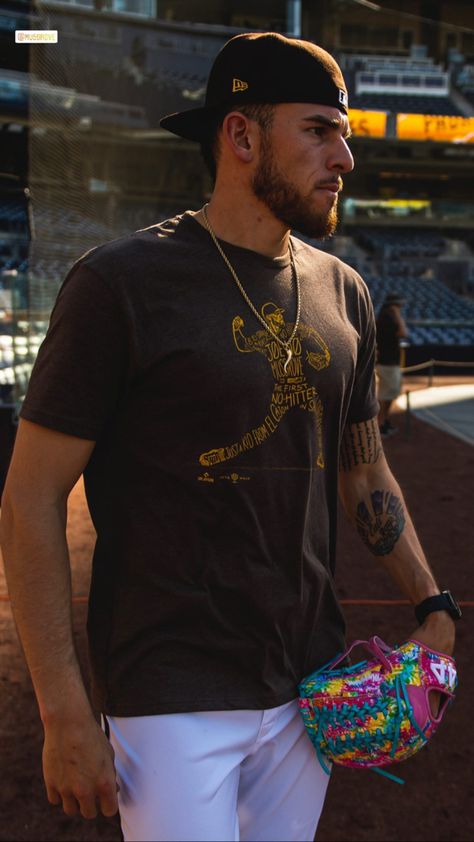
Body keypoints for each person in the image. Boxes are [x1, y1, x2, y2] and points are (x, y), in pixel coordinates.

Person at [0, 32, 459, 842]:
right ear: (241, 136)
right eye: (319, 130)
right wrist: (65, 713)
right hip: (171, 688)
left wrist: (432, 600)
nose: (345, 156)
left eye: (344, 132)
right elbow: (31, 497)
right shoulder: (121, 284)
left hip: (308, 680)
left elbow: (365, 470)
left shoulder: (344, 290)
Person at [376, 292, 408, 437]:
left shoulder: (386, 316)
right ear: (393, 306)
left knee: (390, 394)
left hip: (389, 362)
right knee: (385, 395)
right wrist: (398, 316)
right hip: (387, 363)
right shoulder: (387, 318)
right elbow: (403, 333)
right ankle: (380, 424)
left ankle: (384, 421)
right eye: (398, 305)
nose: (400, 308)